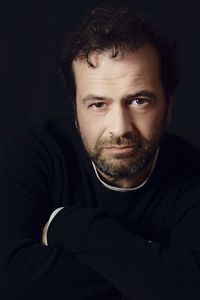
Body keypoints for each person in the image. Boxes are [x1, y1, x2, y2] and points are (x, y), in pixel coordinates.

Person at [0, 4, 200, 300]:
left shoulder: (193, 176)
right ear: (75, 110)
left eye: (139, 101)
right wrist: (151, 271)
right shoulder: (34, 153)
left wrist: (72, 226)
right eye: (98, 104)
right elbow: (8, 278)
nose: (119, 128)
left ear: (168, 106)